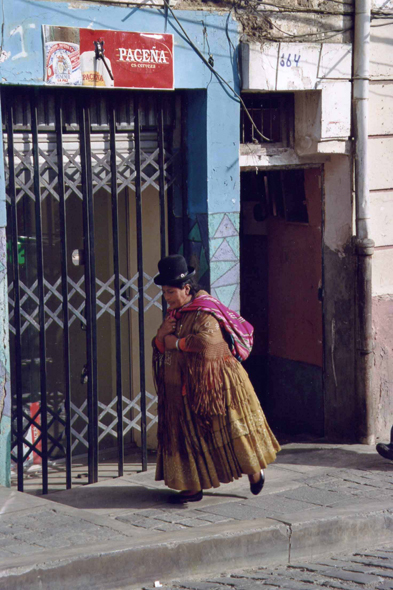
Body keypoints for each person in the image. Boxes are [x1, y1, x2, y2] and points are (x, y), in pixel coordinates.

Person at [152, 254, 281, 504]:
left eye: (170, 292)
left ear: (186, 289)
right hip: (185, 387)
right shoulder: (176, 314)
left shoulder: (204, 310)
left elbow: (207, 342)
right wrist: (160, 336)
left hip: (217, 385)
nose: (166, 298)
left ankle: (254, 472)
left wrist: (175, 343)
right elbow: (161, 344)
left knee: (231, 431)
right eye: (165, 292)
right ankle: (192, 486)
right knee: (190, 435)